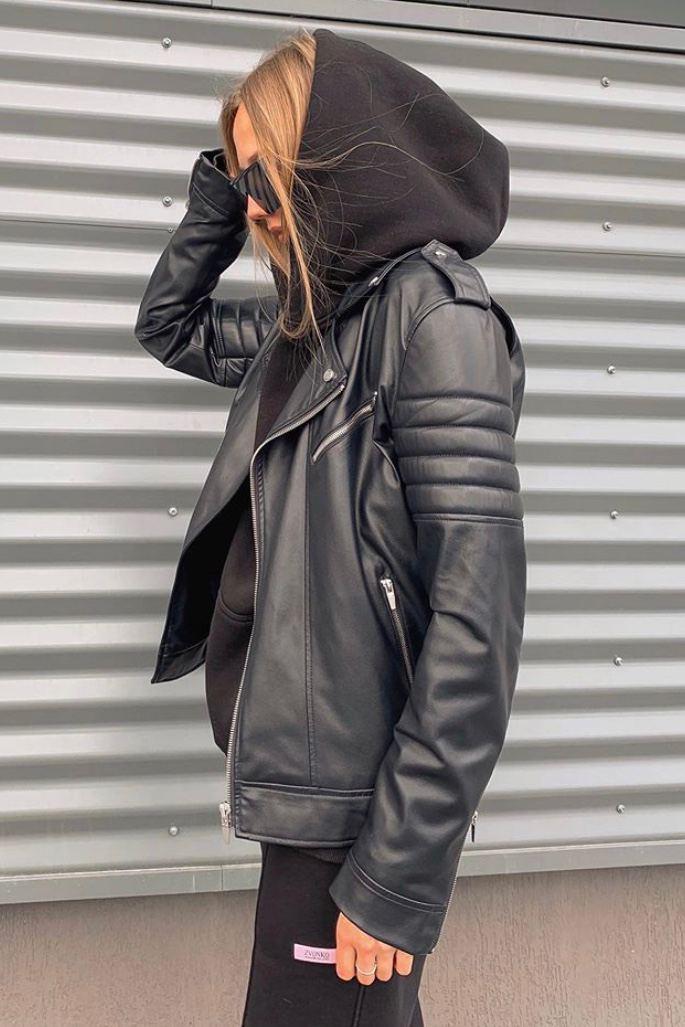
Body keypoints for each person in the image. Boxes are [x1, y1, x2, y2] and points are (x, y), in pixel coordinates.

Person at [134, 26, 527, 1027]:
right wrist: (227, 177)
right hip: (311, 803)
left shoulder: (432, 319)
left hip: (357, 821)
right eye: (244, 182)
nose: (255, 208)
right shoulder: (312, 324)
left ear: (331, 160)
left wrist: (395, 870)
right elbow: (169, 324)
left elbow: (476, 621)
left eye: (266, 178)